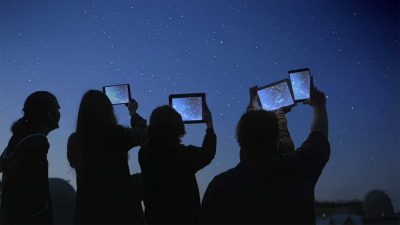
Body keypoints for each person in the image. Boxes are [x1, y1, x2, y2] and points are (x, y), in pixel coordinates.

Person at [201, 87, 330, 224]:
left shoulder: (219, 186)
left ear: (240, 143)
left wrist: (252, 102)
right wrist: (319, 105)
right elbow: (318, 136)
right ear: (277, 141)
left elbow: (249, 130)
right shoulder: (297, 169)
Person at [67, 90, 146, 224]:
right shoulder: (118, 135)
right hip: (121, 213)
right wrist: (133, 113)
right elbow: (141, 134)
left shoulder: (75, 141)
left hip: (88, 215)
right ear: (108, 111)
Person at [139, 103, 216, 224]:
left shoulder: (144, 153)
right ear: (177, 126)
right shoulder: (181, 155)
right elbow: (207, 153)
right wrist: (209, 125)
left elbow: (148, 141)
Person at [0, 91, 60, 224]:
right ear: (49, 115)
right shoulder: (36, 145)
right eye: (57, 109)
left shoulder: (17, 141)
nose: (59, 113)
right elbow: (33, 195)